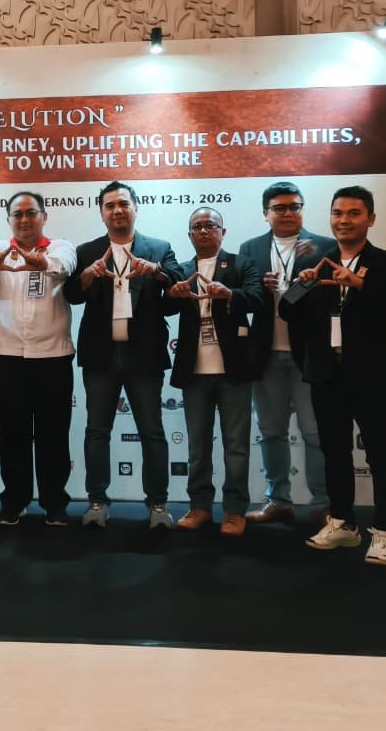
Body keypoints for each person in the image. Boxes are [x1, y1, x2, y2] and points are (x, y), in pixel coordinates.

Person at [280, 187, 386, 564]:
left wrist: (361, 286)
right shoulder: (317, 262)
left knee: (381, 456)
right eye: (338, 213)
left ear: (371, 219)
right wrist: (303, 283)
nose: (344, 220)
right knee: (334, 452)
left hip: (374, 377)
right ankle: (342, 522)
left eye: (354, 213)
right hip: (327, 374)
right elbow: (288, 312)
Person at [62, 181, 183, 529]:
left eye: (123, 204)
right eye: (110, 205)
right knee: (97, 432)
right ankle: (97, 501)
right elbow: (71, 295)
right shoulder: (87, 251)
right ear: (102, 213)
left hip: (144, 354)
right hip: (100, 355)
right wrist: (87, 276)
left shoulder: (159, 248)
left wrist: (155, 271)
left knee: (152, 432)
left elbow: (177, 287)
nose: (117, 210)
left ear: (136, 208)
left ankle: (158, 504)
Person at [0, 191, 77, 526]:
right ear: (8, 219)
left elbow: (64, 267)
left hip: (53, 357)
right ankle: (14, 501)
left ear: (44, 216)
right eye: (17, 214)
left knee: (54, 435)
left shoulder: (61, 247)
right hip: (8, 358)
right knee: (12, 434)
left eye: (30, 213)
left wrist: (40, 262)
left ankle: (55, 503)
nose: (23, 219)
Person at [164, 207, 264, 536]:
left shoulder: (241, 264)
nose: (204, 231)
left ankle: (234, 510)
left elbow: (258, 298)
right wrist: (172, 293)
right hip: (194, 372)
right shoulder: (181, 269)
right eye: (197, 226)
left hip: (233, 369)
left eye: (211, 225)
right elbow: (164, 307)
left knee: (236, 447)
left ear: (223, 231)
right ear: (189, 234)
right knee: (197, 446)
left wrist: (230, 293)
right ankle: (200, 507)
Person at [239, 181, 329, 523]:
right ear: (266, 214)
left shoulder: (323, 247)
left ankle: (323, 503)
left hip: (308, 356)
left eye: (294, 206)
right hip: (265, 356)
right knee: (271, 432)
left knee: (314, 433)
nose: (288, 213)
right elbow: (245, 299)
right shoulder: (250, 248)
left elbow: (331, 300)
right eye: (279, 208)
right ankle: (278, 499)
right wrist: (259, 289)